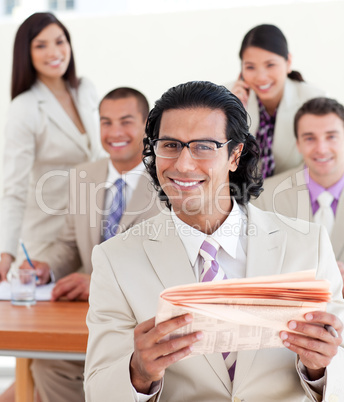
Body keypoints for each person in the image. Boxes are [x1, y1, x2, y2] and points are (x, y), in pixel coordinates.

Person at [84, 81, 344, 402]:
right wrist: (138, 373)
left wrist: (319, 369)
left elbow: (340, 365)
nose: (183, 164)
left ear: (235, 155)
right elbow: (97, 389)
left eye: (204, 146)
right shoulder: (114, 260)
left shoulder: (309, 245)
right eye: (170, 145)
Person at [18, 87, 162, 402]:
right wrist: (47, 267)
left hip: (142, 319)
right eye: (106, 122)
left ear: (147, 125)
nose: (115, 132)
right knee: (48, 366)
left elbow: (164, 259)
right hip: (86, 318)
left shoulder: (167, 178)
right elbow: (69, 244)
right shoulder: (84, 175)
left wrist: (96, 281)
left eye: (126, 121)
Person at [0, 12, 102, 282]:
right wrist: (6, 251)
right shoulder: (25, 107)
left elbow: (100, 155)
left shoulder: (86, 90)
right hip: (47, 239)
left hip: (90, 234)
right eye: (41, 45)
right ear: (27, 53)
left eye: (60, 41)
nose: (54, 52)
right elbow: (14, 188)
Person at [253, 97, 344, 297]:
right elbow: (253, 266)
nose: (321, 148)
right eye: (310, 138)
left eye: (331, 136)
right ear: (298, 144)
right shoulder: (265, 198)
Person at [227, 24, 325, 178]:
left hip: (292, 193)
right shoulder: (226, 98)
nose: (261, 77)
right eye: (250, 67)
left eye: (270, 65)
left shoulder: (313, 101)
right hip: (241, 194)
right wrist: (232, 114)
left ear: (288, 62)